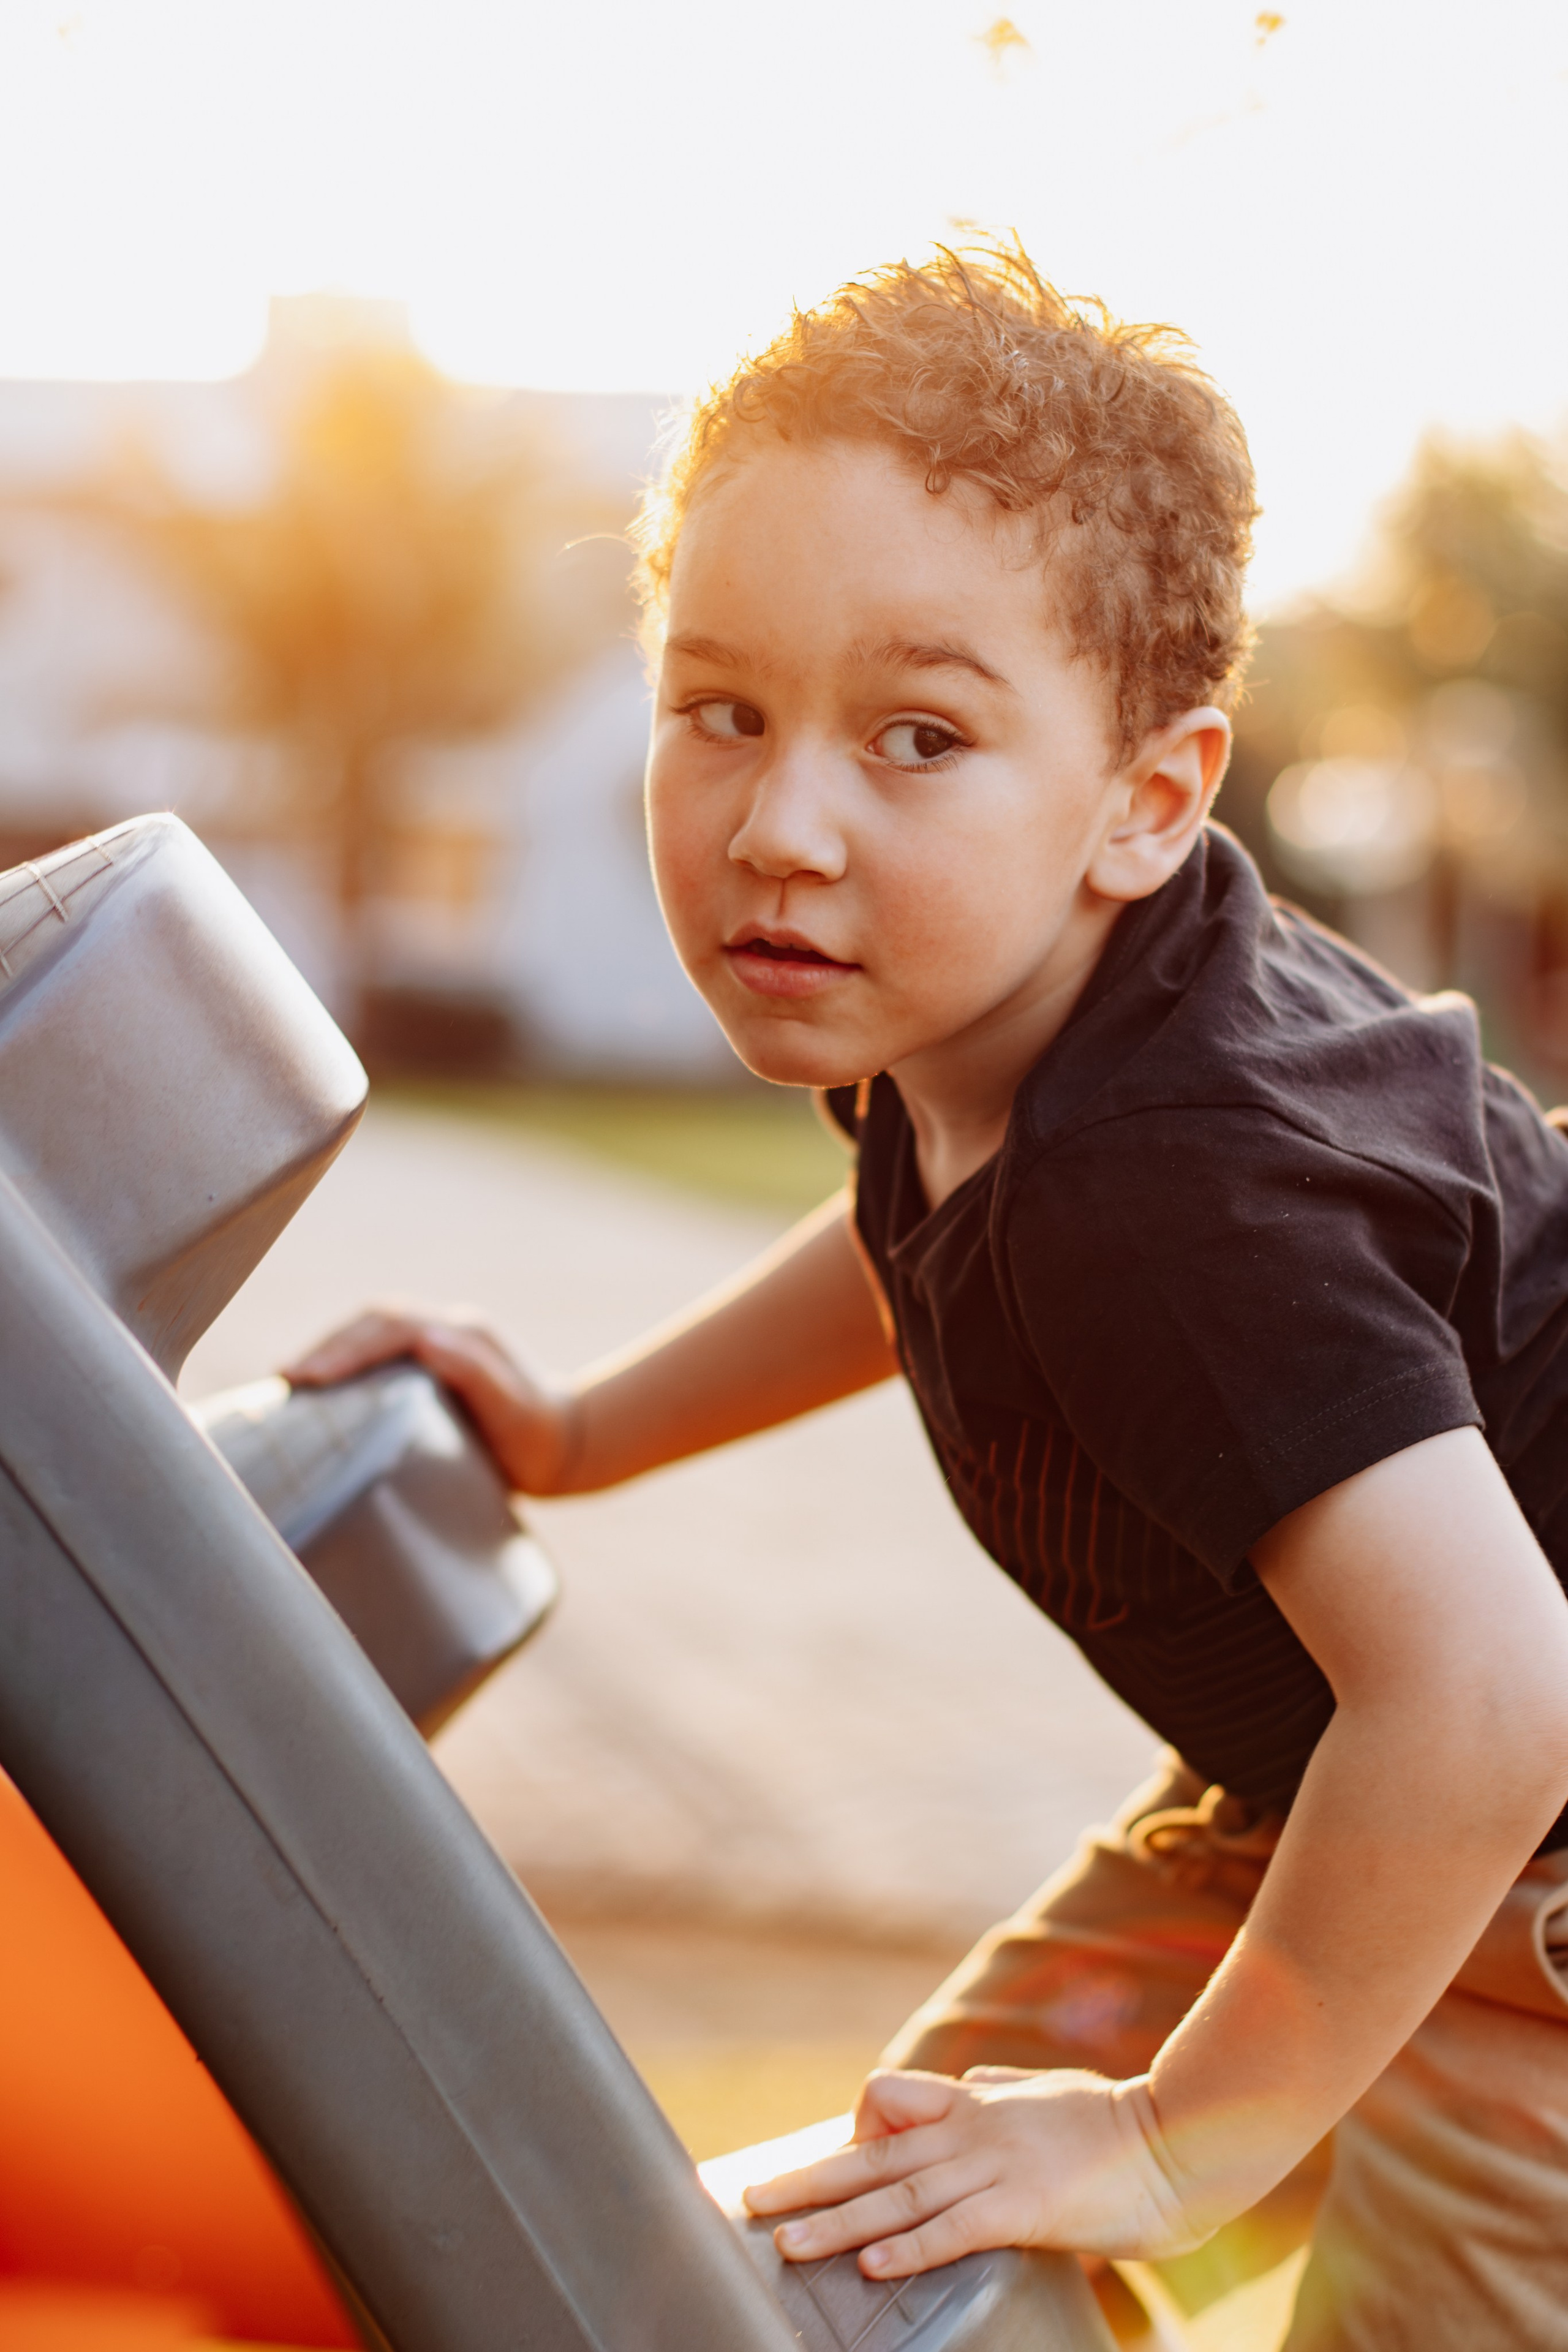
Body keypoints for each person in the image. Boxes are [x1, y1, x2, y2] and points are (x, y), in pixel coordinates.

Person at [287, 243, 1568, 2350]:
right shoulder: (990, 1026)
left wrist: (1172, 2140)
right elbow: (911, 1262)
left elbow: (1492, 1694)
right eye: (721, 710)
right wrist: (585, 1433)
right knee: (875, 2242)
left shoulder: (1180, 1191)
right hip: (1319, 1821)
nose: (781, 823)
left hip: (1522, 1886)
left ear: (1144, 801)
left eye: (915, 736)